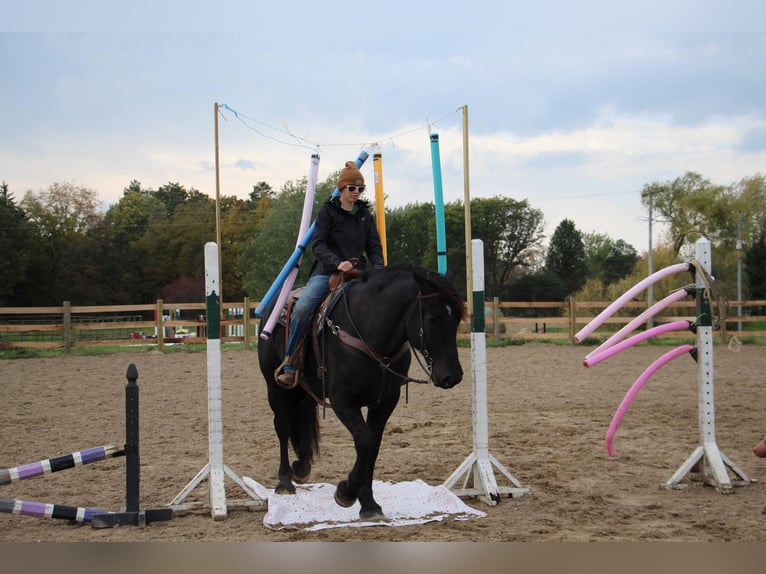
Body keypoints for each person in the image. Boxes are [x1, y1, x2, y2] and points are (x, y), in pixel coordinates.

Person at [276, 160, 385, 389]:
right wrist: (337, 262)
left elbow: (374, 245)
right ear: (342, 188)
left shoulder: (364, 214)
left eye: (360, 189)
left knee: (385, 303)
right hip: (327, 273)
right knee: (304, 307)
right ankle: (290, 362)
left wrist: (378, 266)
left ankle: (383, 360)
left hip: (358, 272)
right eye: (351, 188)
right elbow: (318, 244)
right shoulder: (327, 212)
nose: (356, 193)